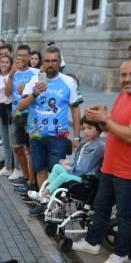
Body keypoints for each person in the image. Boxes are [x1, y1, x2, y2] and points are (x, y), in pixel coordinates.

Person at [75, 57, 131, 263]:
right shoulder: (124, 95)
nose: (127, 79)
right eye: (124, 75)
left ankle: (121, 252)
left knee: (124, 215)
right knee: (101, 207)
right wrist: (99, 117)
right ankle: (92, 242)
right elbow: (110, 125)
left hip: (129, 170)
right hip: (111, 165)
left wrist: (106, 120)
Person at [15, 46, 81, 201]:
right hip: (36, 135)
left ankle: (55, 206)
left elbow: (76, 110)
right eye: (47, 61)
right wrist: (35, 93)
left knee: (56, 172)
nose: (50, 64)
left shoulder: (69, 82)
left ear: (59, 62)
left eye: (54, 61)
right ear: (42, 62)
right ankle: (45, 203)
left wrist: (77, 137)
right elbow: (20, 106)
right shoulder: (34, 80)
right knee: (40, 170)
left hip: (58, 136)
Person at [8, 44, 38, 185]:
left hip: (29, 115)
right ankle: (25, 176)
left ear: (29, 56)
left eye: (24, 55)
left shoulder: (35, 73)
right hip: (16, 114)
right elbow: (7, 93)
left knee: (30, 149)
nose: (21, 58)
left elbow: (39, 95)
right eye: (19, 55)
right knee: (16, 147)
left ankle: (31, 181)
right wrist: (11, 74)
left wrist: (23, 93)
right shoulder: (13, 73)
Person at [0, 52, 15, 175]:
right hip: (0, 108)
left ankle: (16, 169)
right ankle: (7, 167)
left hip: (11, 109)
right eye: (2, 62)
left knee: (13, 142)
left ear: (11, 64)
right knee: (5, 141)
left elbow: (7, 93)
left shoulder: (13, 76)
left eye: (7, 62)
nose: (4, 64)